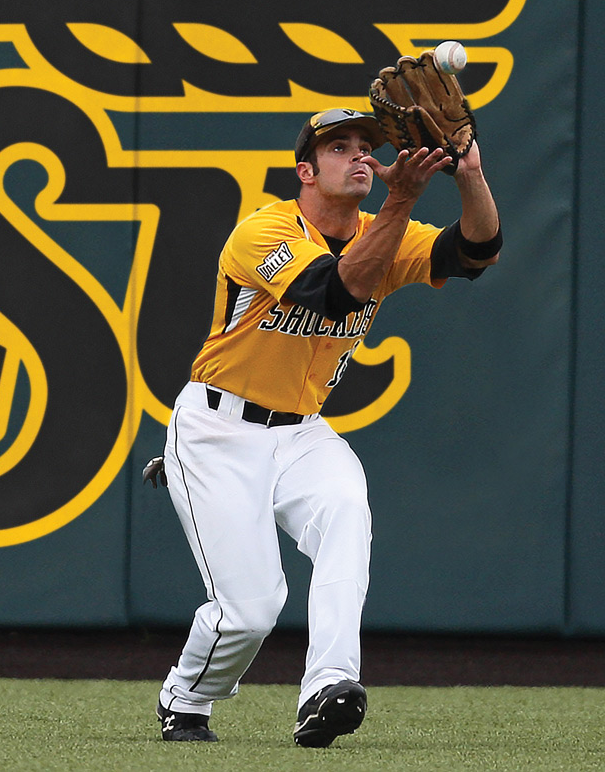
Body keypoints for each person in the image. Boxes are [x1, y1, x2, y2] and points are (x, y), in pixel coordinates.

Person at [149, 107, 501, 747]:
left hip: (302, 430)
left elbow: (477, 250)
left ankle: (328, 688)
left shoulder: (383, 229)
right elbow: (336, 290)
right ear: (305, 172)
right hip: (218, 428)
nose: (360, 156)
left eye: (367, 146)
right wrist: (401, 201)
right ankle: (186, 695)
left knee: (347, 515)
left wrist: (470, 176)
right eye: (339, 148)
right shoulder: (265, 231)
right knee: (251, 611)